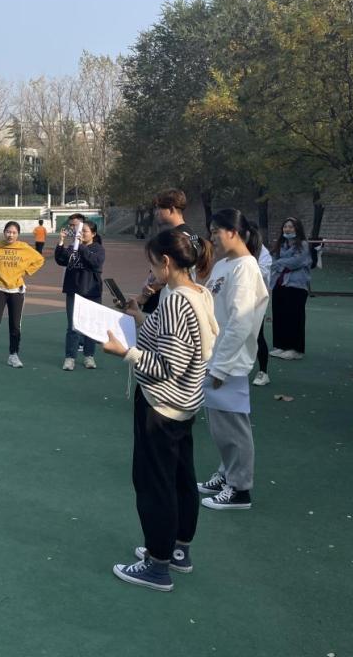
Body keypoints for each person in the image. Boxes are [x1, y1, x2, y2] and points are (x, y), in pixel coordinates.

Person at [103, 229, 218, 592]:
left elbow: (168, 365)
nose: (151, 272)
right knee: (181, 478)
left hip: (162, 405)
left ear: (166, 262)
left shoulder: (175, 301)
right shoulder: (198, 293)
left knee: (155, 484)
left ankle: (157, 564)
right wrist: (138, 316)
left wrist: (125, 353)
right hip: (183, 404)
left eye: (152, 264)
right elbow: (167, 338)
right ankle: (177, 550)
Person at [198, 209, 268, 511]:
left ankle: (240, 489)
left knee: (233, 427)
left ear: (233, 232)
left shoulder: (246, 267)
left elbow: (240, 322)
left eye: (216, 230)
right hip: (214, 357)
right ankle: (227, 473)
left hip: (229, 362)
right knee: (220, 426)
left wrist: (221, 366)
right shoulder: (224, 264)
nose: (212, 236)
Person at [0, 221, 45, 368]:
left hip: (17, 291)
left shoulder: (24, 248)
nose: (10, 235)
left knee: (15, 326)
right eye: (8, 232)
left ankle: (13, 355)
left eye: (14, 232)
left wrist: (26, 271)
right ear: (4, 232)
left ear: (18, 234)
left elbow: (39, 260)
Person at [55, 219, 105, 370]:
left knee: (90, 326)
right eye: (80, 231)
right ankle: (70, 358)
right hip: (73, 291)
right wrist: (61, 242)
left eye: (85, 231)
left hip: (91, 292)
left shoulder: (98, 249)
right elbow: (61, 260)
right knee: (73, 326)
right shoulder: (73, 247)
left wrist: (81, 246)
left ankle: (89, 356)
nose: (81, 234)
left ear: (93, 234)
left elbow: (95, 262)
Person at [139, 189, 199, 313]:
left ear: (171, 209)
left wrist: (150, 289)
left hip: (168, 302)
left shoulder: (175, 238)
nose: (156, 213)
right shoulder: (191, 234)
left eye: (159, 208)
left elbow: (173, 272)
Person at [268, 217, 312, 360]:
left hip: (296, 285)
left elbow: (296, 261)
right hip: (279, 284)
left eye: (291, 227)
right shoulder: (280, 244)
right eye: (285, 226)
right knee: (279, 315)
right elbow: (272, 260)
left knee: (294, 317)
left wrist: (280, 263)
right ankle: (281, 346)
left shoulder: (303, 245)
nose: (287, 229)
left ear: (297, 229)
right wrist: (282, 263)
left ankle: (295, 349)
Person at [252, 229, 273, 386]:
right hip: (236, 302)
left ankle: (263, 372)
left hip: (256, 302)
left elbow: (260, 273)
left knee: (258, 336)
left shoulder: (263, 253)